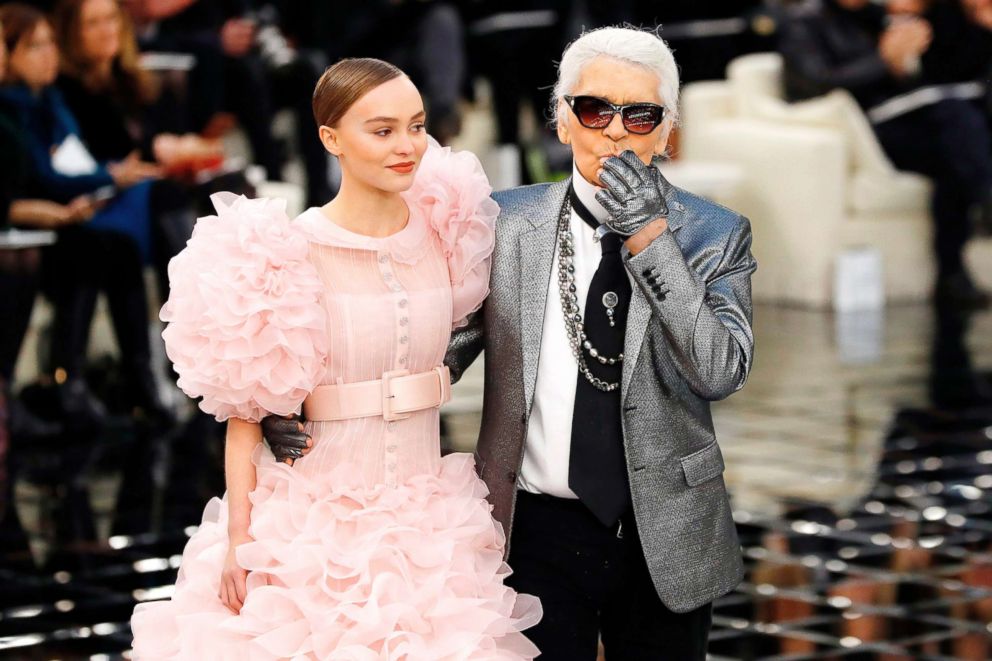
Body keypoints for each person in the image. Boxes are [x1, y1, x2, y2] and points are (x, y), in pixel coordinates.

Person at [266, 25, 757, 660]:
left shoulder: (717, 233)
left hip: (667, 528)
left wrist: (649, 239)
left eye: (639, 116)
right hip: (534, 528)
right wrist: (301, 400)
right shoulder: (503, 222)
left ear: (666, 132)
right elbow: (431, 347)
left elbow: (721, 369)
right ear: (562, 121)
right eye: (593, 109)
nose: (614, 131)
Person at [130, 57, 541, 658]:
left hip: (430, 523)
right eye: (382, 131)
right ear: (330, 139)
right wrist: (241, 541)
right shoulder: (279, 255)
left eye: (417, 126)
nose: (406, 146)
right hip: (312, 530)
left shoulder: (450, 231)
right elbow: (245, 421)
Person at [0, 3, 169, 424]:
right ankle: (65, 380)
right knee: (91, 246)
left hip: (56, 214)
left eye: (51, 44)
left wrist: (95, 180)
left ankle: (138, 376)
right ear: (9, 54)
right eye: (34, 47)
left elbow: (72, 163)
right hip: (29, 221)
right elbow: (46, 174)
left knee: (118, 244)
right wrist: (96, 182)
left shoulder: (51, 100)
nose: (48, 55)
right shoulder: (10, 109)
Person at [779, 0, 992, 307]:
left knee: (957, 149)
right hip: (866, 128)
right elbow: (813, 83)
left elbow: (931, 73)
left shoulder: (879, 16)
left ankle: (952, 273)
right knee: (956, 119)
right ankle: (985, 202)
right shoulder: (804, 21)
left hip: (912, 118)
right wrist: (883, 60)